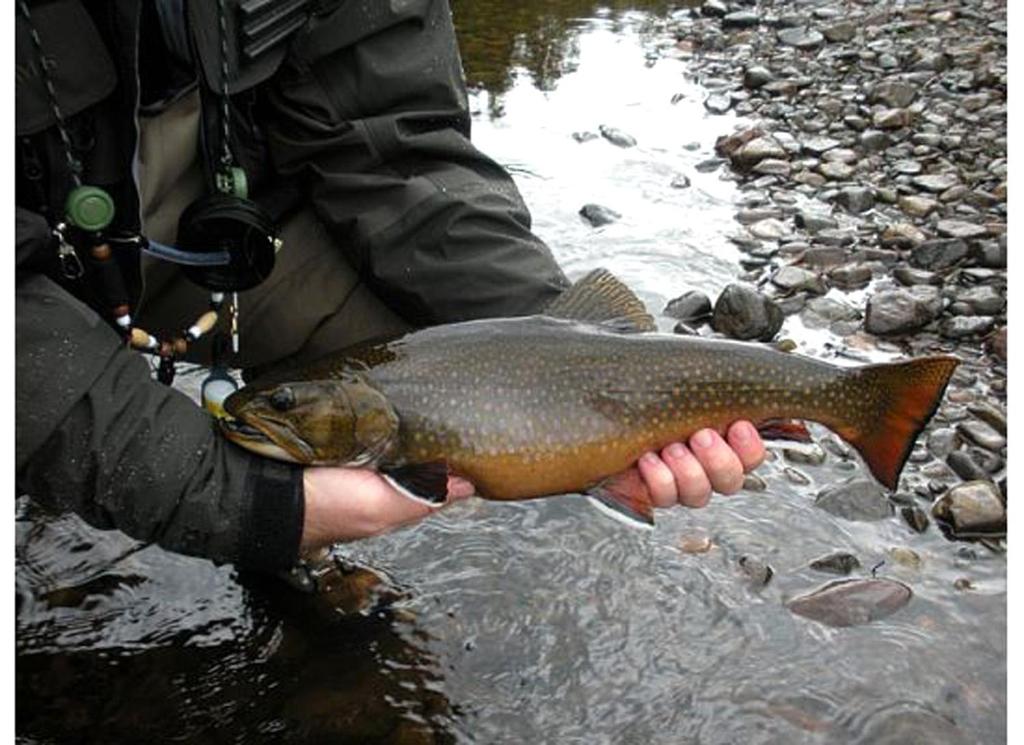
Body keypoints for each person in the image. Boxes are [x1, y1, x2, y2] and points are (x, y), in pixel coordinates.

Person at [15, 0, 764, 574]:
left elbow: (394, 143)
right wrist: (240, 504)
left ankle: (303, 559)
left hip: (216, 225)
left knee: (399, 352)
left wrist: (560, 353)